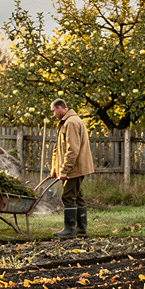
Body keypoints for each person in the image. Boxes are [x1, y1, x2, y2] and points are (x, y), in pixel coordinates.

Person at [49, 99, 94, 236]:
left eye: (54, 111)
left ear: (60, 108)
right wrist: (55, 170)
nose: (54, 114)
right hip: (74, 167)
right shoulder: (67, 122)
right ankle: (81, 228)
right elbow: (59, 149)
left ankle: (69, 229)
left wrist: (64, 170)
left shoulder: (71, 123)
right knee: (77, 197)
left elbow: (72, 150)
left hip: (74, 168)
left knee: (68, 196)